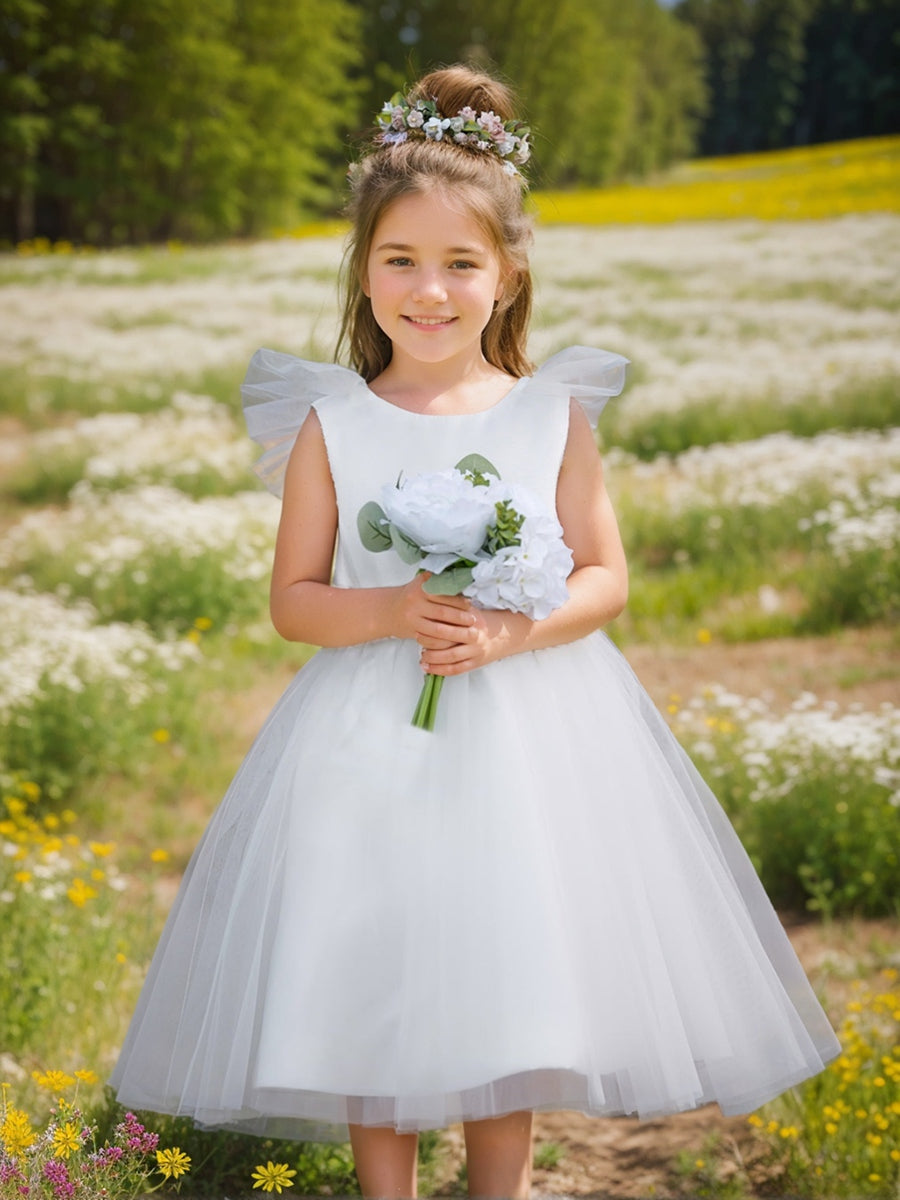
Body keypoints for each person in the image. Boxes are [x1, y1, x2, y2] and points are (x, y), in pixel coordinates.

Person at [110, 65, 840, 1199]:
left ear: (507, 275)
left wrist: (508, 633)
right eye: (400, 260)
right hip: (366, 738)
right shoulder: (333, 421)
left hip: (526, 730)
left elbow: (604, 578)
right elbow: (293, 598)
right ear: (364, 269)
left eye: (460, 263)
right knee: (366, 965)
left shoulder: (549, 411)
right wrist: (395, 609)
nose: (429, 290)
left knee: (512, 970)